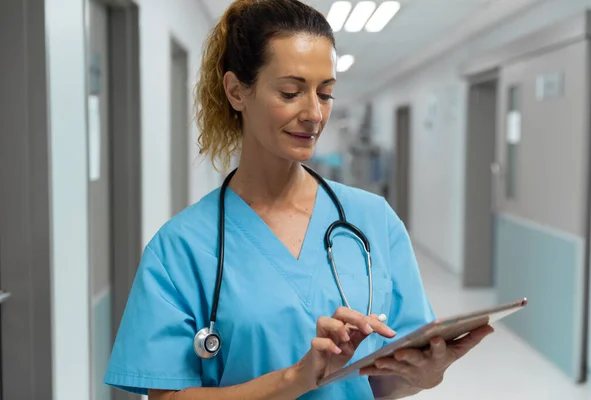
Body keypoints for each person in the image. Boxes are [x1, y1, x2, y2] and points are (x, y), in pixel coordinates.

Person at [104, 0, 494, 399]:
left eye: (325, 94)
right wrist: (296, 379)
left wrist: (423, 375)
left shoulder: (373, 220)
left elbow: (383, 382)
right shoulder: (181, 248)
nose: (314, 114)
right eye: (291, 92)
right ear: (237, 91)